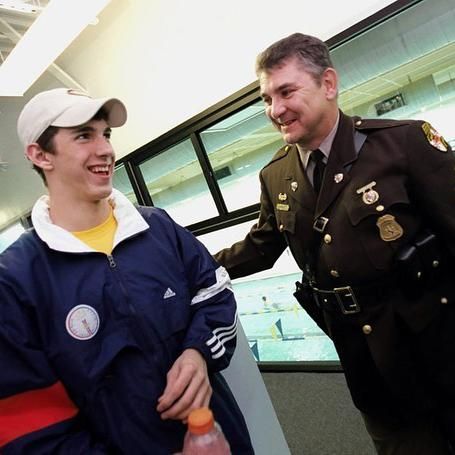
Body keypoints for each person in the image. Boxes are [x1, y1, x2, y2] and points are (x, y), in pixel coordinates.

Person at [215, 33, 455, 454]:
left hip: (440, 346)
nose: (276, 109)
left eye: (287, 91)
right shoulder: (276, 176)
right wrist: (186, 264)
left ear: (328, 84)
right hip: (368, 363)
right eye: (267, 99)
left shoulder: (401, 143)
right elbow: (261, 246)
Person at [0, 88, 254, 454]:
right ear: (40, 155)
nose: (105, 149)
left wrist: (198, 351)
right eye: (84, 135)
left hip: (219, 442)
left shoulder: (157, 227)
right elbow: (34, 429)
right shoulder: (17, 280)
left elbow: (215, 294)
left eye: (106, 134)